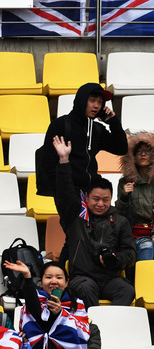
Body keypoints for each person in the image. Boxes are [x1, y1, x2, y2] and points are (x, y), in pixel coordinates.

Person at [53, 136, 136, 308]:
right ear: (87, 198)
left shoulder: (120, 221)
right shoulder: (76, 217)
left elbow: (131, 253)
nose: (100, 204)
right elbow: (64, 193)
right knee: (86, 288)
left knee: (127, 290)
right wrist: (64, 161)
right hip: (82, 278)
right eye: (96, 199)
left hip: (110, 278)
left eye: (105, 200)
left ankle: (111, 326)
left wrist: (117, 259)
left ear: (111, 198)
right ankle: (92, 329)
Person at [41, 83, 127, 194]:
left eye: (100, 102)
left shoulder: (97, 129)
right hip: (68, 191)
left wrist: (113, 121)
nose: (96, 106)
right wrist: (62, 191)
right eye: (92, 101)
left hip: (91, 191)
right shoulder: (60, 125)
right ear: (82, 100)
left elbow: (121, 148)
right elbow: (48, 161)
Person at [117, 132, 154, 261]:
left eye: (147, 151)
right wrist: (123, 197)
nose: (143, 154)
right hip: (133, 233)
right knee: (146, 247)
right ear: (132, 156)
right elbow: (119, 215)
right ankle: (144, 281)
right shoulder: (125, 182)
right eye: (139, 151)